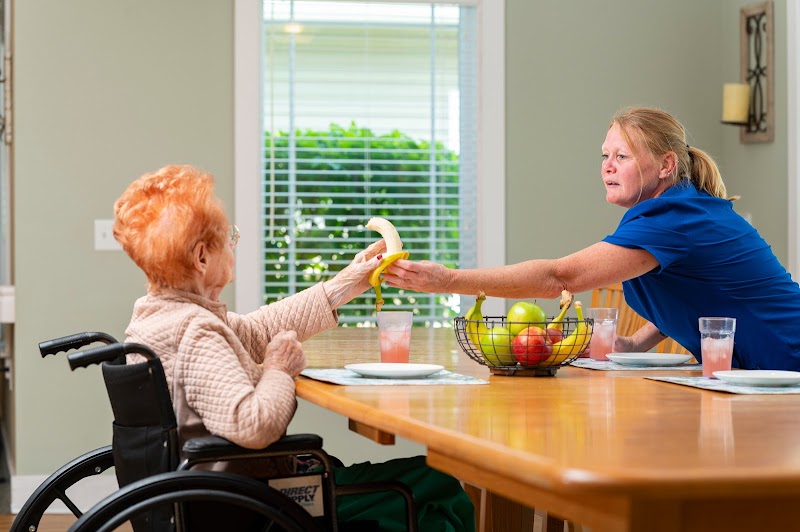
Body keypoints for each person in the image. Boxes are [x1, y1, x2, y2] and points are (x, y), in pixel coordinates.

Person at [113, 164, 475, 531]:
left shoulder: (159, 318)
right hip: (260, 501)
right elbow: (253, 424)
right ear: (202, 257)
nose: (233, 244)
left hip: (222, 491)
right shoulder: (194, 331)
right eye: (229, 236)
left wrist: (345, 284)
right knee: (437, 485)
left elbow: (255, 330)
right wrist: (278, 368)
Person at [383, 106, 800, 371]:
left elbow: (558, 277)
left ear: (666, 165)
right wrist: (634, 343)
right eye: (605, 156)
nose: (608, 167)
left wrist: (449, 280)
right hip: (765, 374)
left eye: (622, 156)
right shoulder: (673, 212)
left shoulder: (674, 218)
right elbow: (700, 287)